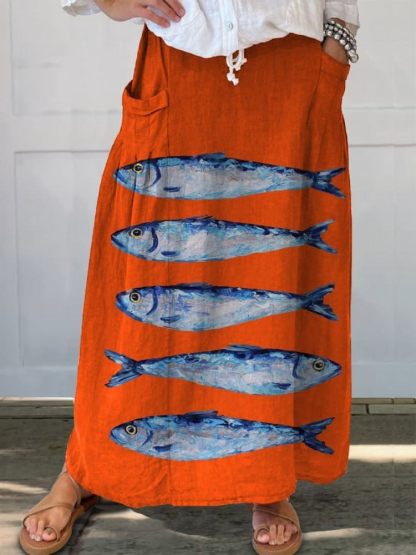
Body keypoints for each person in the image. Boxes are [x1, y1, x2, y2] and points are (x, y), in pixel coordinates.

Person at [19, 1, 360, 554]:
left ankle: (267, 478)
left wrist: (340, 37)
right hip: (179, 61)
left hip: (294, 72)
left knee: (281, 271)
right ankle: (85, 467)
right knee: (133, 287)